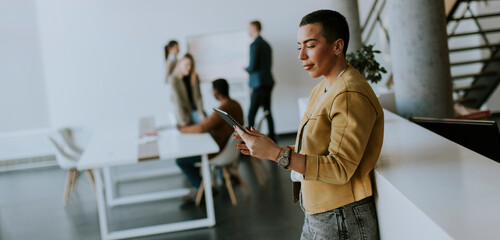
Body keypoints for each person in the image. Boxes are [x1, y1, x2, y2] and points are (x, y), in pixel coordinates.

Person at [234, 10, 384, 239]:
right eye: (299, 47)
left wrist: (278, 154)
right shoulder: (321, 89)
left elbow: (340, 168)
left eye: (310, 45)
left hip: (341, 217)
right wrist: (270, 147)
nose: (301, 55)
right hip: (319, 213)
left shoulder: (349, 93)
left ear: (337, 46)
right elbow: (316, 152)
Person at [176, 78, 244, 201]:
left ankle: (203, 190)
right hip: (231, 149)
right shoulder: (235, 104)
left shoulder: (224, 108)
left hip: (219, 150)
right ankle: (201, 187)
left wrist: (183, 129)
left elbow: (203, 127)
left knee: (181, 161)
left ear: (216, 92)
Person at [245, 20, 276, 141]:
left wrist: (245, 68)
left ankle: (249, 140)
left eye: (249, 28)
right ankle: (272, 137)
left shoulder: (254, 45)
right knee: (267, 111)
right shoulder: (267, 45)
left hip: (258, 84)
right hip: (268, 82)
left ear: (254, 28)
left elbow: (252, 66)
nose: (248, 31)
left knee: (251, 113)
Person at [168, 53, 206, 127]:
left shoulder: (194, 76)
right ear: (180, 64)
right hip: (184, 114)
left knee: (210, 123)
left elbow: (198, 97)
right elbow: (177, 101)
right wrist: (184, 120)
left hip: (196, 112)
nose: (189, 67)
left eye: (191, 65)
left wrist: (201, 113)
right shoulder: (173, 79)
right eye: (186, 64)